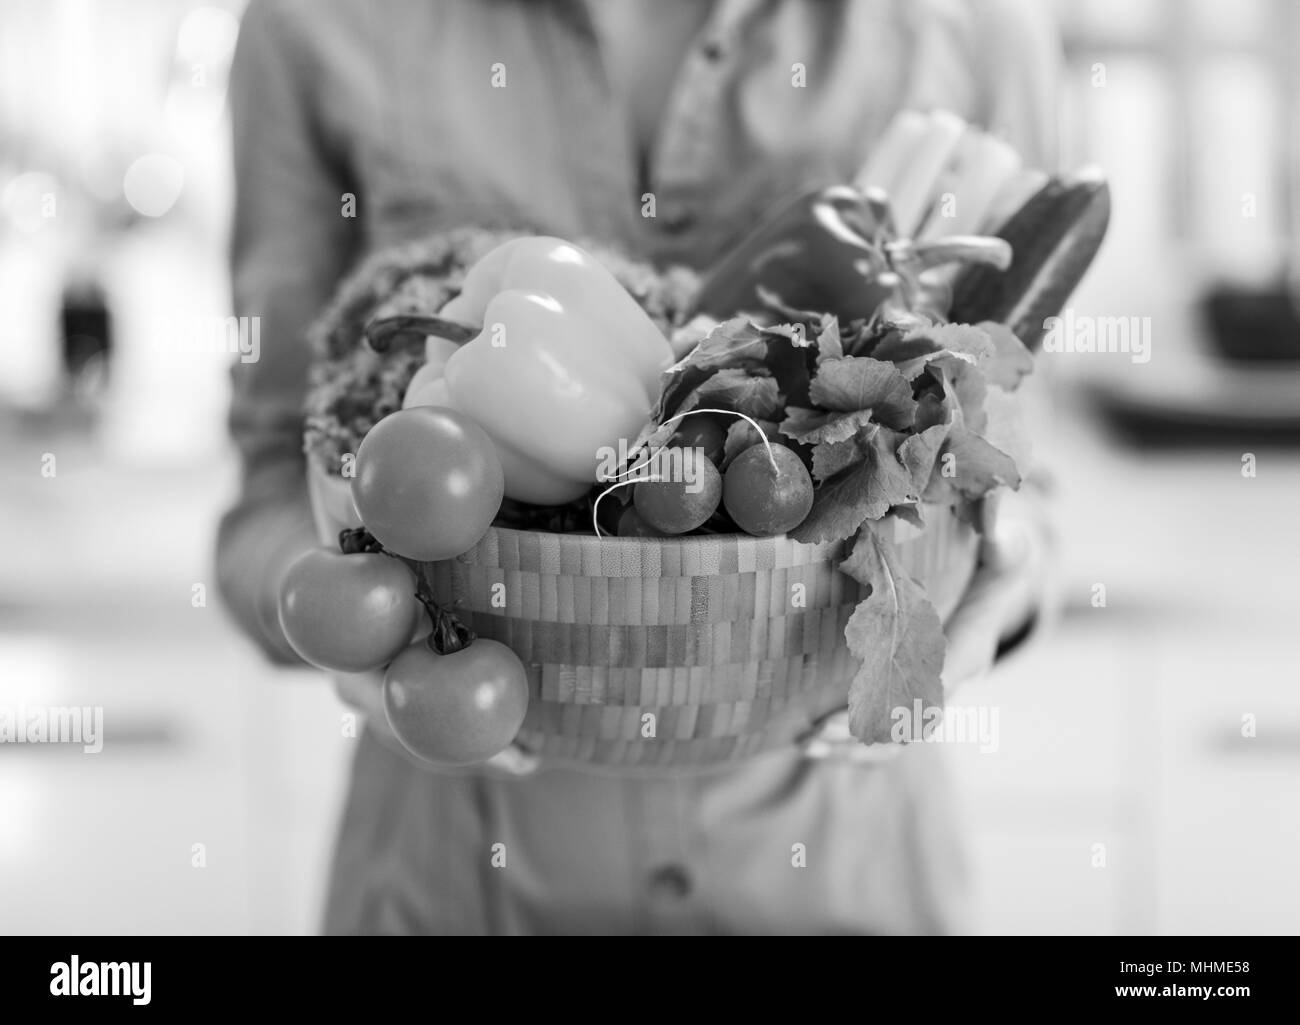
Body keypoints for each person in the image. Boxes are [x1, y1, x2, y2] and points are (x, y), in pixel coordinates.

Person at [217, 0, 1057, 934]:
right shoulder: (313, 23)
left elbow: (1015, 460)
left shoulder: (977, 26)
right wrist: (344, 627)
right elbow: (267, 487)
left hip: (846, 877)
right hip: (452, 877)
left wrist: (1002, 579)